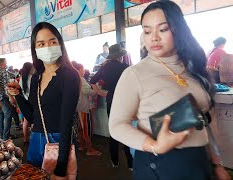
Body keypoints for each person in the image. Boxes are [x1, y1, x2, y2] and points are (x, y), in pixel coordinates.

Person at [108, 1, 230, 180]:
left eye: (163, 29)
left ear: (178, 30)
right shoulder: (135, 74)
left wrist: (217, 163)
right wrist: (154, 146)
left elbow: (206, 121)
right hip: (159, 163)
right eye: (147, 31)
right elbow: (117, 126)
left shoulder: (193, 68)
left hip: (199, 161)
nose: (154, 37)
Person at [7, 22, 80, 178]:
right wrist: (18, 95)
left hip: (59, 142)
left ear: (60, 43)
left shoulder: (69, 75)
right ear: (35, 49)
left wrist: (61, 166)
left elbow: (66, 123)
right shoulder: (36, 77)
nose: (47, 47)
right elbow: (32, 117)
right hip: (36, 141)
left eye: (52, 42)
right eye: (41, 44)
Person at [90, 44, 133, 169]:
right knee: (127, 131)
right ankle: (130, 164)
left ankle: (115, 161)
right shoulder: (126, 68)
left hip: (110, 101)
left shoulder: (104, 68)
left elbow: (92, 82)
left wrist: (101, 93)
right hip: (124, 102)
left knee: (113, 132)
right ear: (120, 56)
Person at [74, 63, 102, 156]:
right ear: (78, 70)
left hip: (77, 106)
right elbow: (87, 91)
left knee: (80, 128)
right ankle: (90, 149)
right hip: (84, 106)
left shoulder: (73, 78)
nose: (84, 71)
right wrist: (97, 91)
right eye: (82, 69)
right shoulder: (81, 79)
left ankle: (82, 145)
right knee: (87, 128)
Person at [0, 58, 21, 140]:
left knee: (0, 116)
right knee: (8, 115)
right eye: (5, 63)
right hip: (4, 97)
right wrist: (11, 97)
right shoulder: (3, 72)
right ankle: (5, 137)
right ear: (2, 64)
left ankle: (2, 136)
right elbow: (6, 86)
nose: (6, 64)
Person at [18, 62, 35, 144]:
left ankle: (25, 139)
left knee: (26, 121)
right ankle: (34, 138)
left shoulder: (21, 78)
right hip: (32, 102)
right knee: (34, 120)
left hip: (24, 101)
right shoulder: (32, 77)